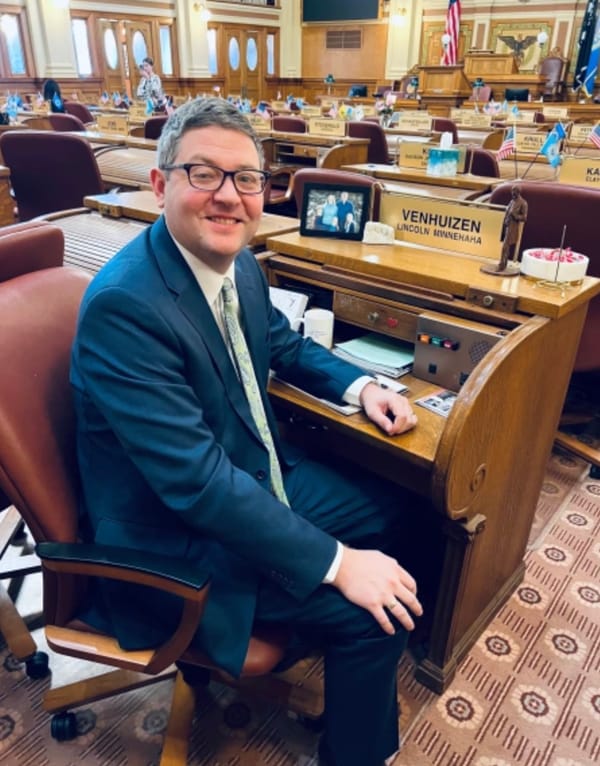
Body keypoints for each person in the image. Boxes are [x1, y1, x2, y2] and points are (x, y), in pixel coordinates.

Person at [70, 97, 422, 766]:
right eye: (204, 174)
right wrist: (339, 564)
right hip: (174, 542)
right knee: (371, 617)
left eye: (248, 179)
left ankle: (353, 691)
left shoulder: (236, 262)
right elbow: (199, 487)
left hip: (246, 473)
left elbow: (283, 346)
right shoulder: (126, 307)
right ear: (159, 183)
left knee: (399, 506)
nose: (230, 197)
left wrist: (364, 385)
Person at [499, 184, 528, 271]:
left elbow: (524, 217)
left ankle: (502, 265)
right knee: (504, 246)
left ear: (518, 192)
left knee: (505, 246)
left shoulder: (523, 203)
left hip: (513, 227)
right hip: (507, 225)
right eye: (512, 191)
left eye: (514, 192)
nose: (512, 193)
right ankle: (503, 263)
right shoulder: (512, 201)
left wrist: (515, 216)